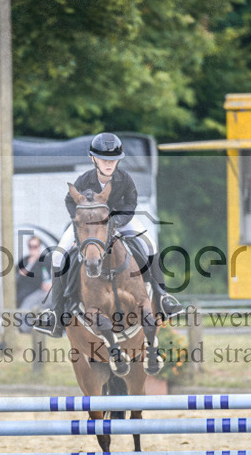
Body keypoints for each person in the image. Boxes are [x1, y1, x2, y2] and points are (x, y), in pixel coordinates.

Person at [34, 132, 182, 337]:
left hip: (121, 221)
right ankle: (56, 312)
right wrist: (81, 221)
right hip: (89, 225)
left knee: (150, 246)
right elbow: (70, 200)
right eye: (104, 159)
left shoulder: (125, 179)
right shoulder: (84, 179)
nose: (109, 164)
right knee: (59, 254)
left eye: (113, 160)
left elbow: (131, 204)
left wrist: (116, 222)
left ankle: (163, 297)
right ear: (93, 158)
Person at [16, 236, 52, 311]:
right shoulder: (24, 260)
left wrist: (27, 274)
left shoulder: (44, 260)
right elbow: (15, 271)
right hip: (21, 290)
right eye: (30, 246)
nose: (32, 249)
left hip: (35, 291)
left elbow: (44, 277)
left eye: (35, 246)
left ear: (39, 247)